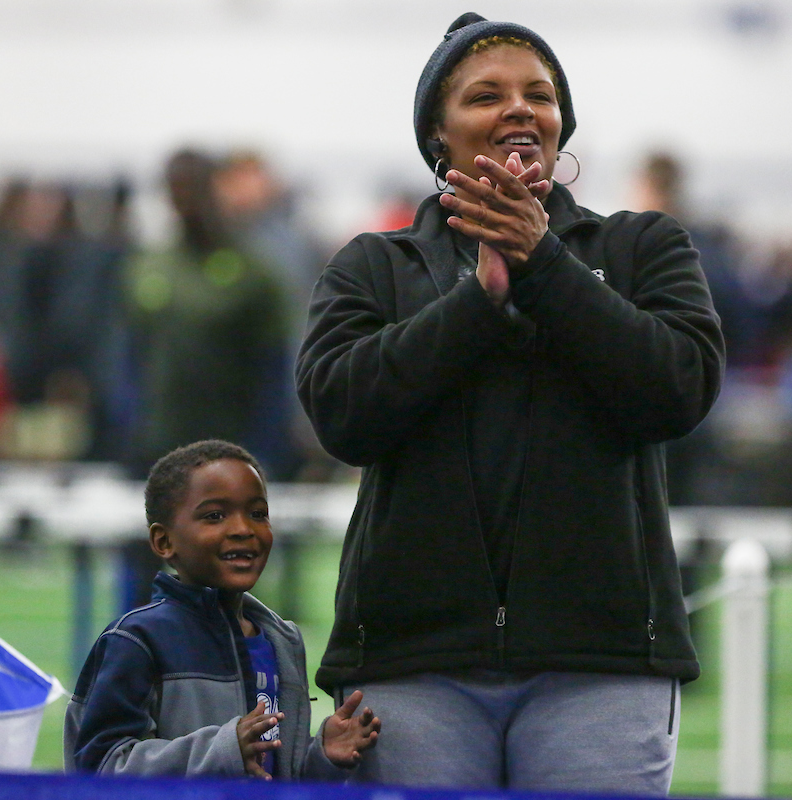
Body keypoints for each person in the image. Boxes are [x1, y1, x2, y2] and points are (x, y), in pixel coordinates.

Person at [295, 12, 724, 793]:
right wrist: (477, 303)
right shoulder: (373, 265)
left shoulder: (641, 248)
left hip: (601, 663)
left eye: (540, 94)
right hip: (416, 664)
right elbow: (340, 415)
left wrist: (545, 266)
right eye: (486, 95)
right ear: (437, 134)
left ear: (563, 127)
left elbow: (679, 390)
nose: (520, 109)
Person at [64, 439, 381, 778]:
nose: (243, 529)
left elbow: (278, 774)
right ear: (164, 542)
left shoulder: (283, 642)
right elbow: (99, 767)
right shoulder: (137, 640)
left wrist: (323, 757)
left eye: (258, 514)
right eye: (215, 515)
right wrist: (224, 749)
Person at [124, 151, 294, 478]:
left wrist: (265, 448)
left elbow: (273, 368)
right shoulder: (148, 267)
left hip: (232, 443)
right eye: (177, 190)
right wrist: (132, 431)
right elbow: (130, 358)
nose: (186, 200)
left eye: (194, 188)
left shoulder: (254, 271)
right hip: (160, 443)